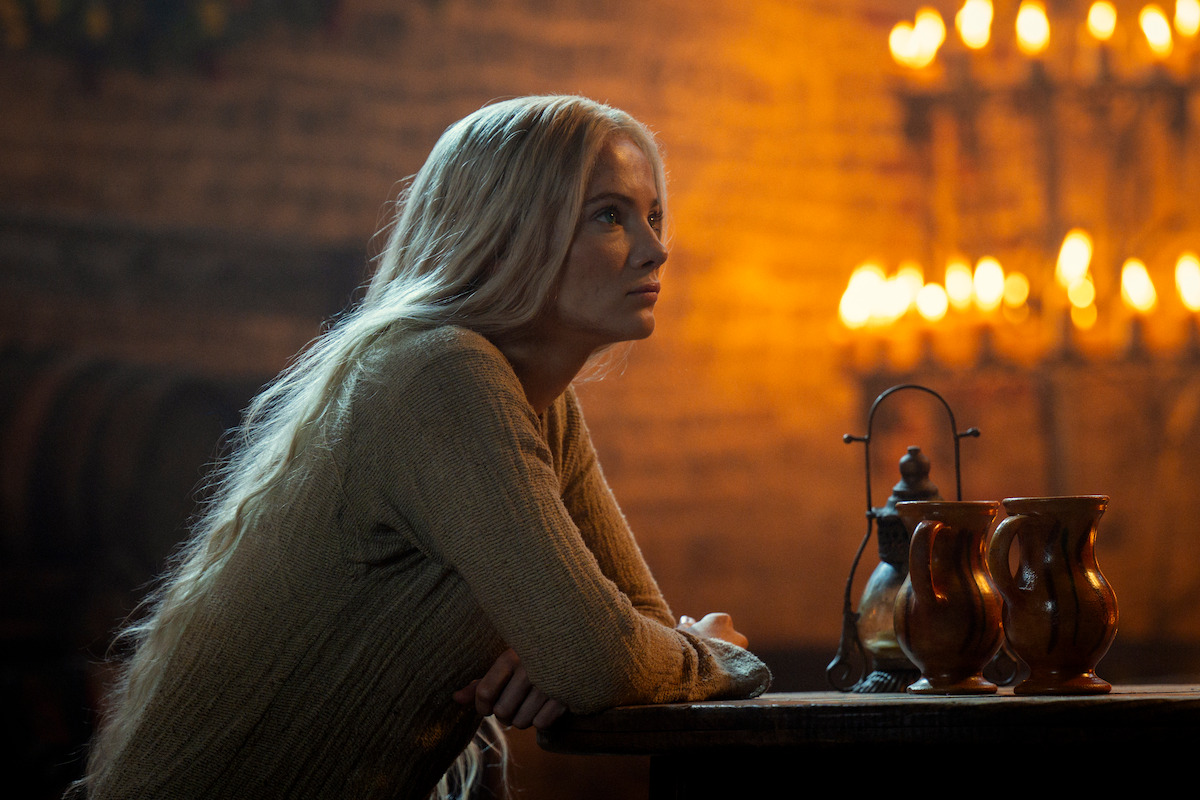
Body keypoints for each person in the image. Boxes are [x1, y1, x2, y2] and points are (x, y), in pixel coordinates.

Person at [73, 94, 771, 800]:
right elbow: (603, 657)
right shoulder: (439, 376)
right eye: (610, 216)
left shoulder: (543, 406)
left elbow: (623, 641)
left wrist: (571, 649)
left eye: (652, 215)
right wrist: (708, 655)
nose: (657, 248)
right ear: (510, 233)